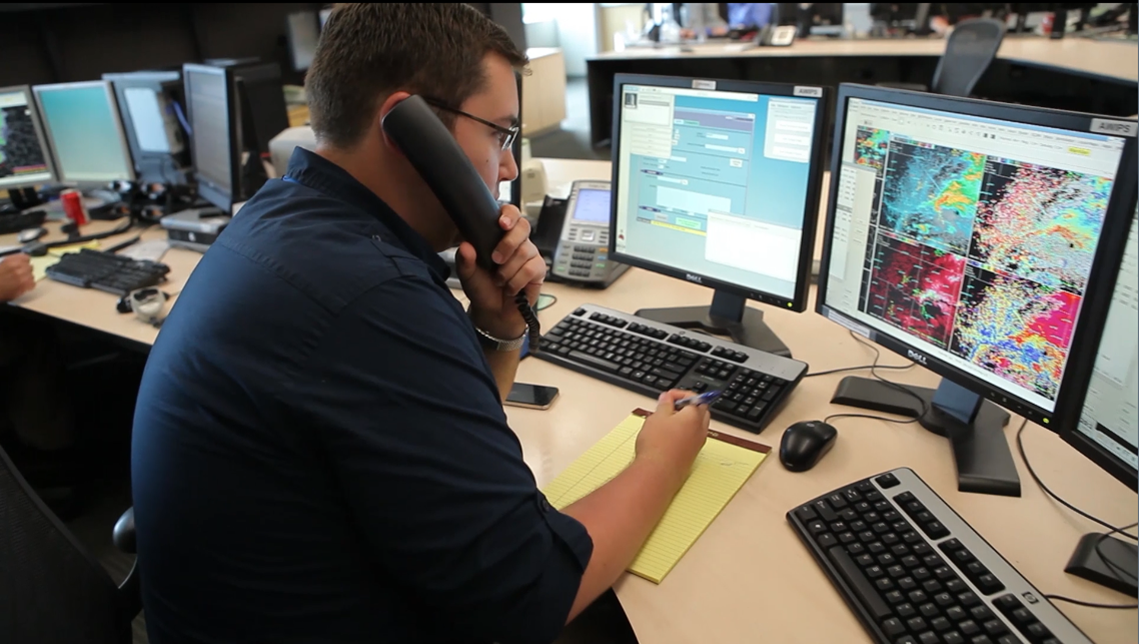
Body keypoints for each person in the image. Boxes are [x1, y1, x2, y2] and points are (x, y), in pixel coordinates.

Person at [130, 4, 712, 644]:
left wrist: (496, 328)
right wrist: (661, 461)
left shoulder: (284, 218)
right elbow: (531, 592)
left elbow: (412, 451)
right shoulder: (371, 297)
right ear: (407, 127)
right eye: (500, 134)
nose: (510, 169)